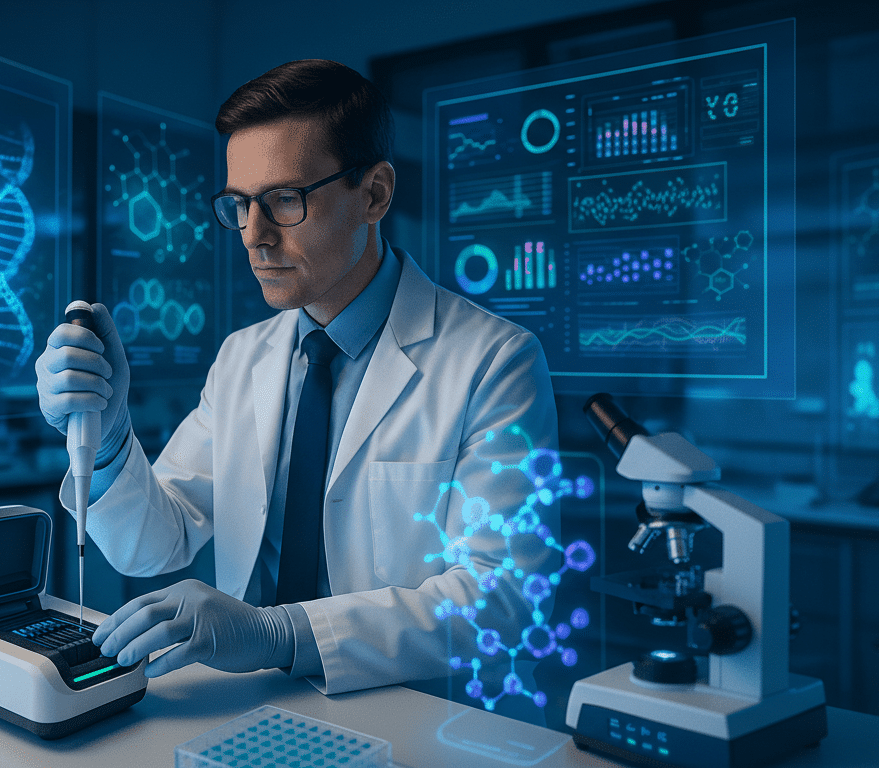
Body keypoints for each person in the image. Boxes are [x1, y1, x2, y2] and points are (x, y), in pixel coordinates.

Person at [35, 59, 558, 695]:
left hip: (409, 720)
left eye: (285, 200)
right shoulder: (241, 358)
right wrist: (113, 434)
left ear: (374, 195)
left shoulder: (494, 361)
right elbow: (157, 542)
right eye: (238, 205)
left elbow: (505, 599)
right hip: (247, 710)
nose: (254, 237)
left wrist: (281, 634)